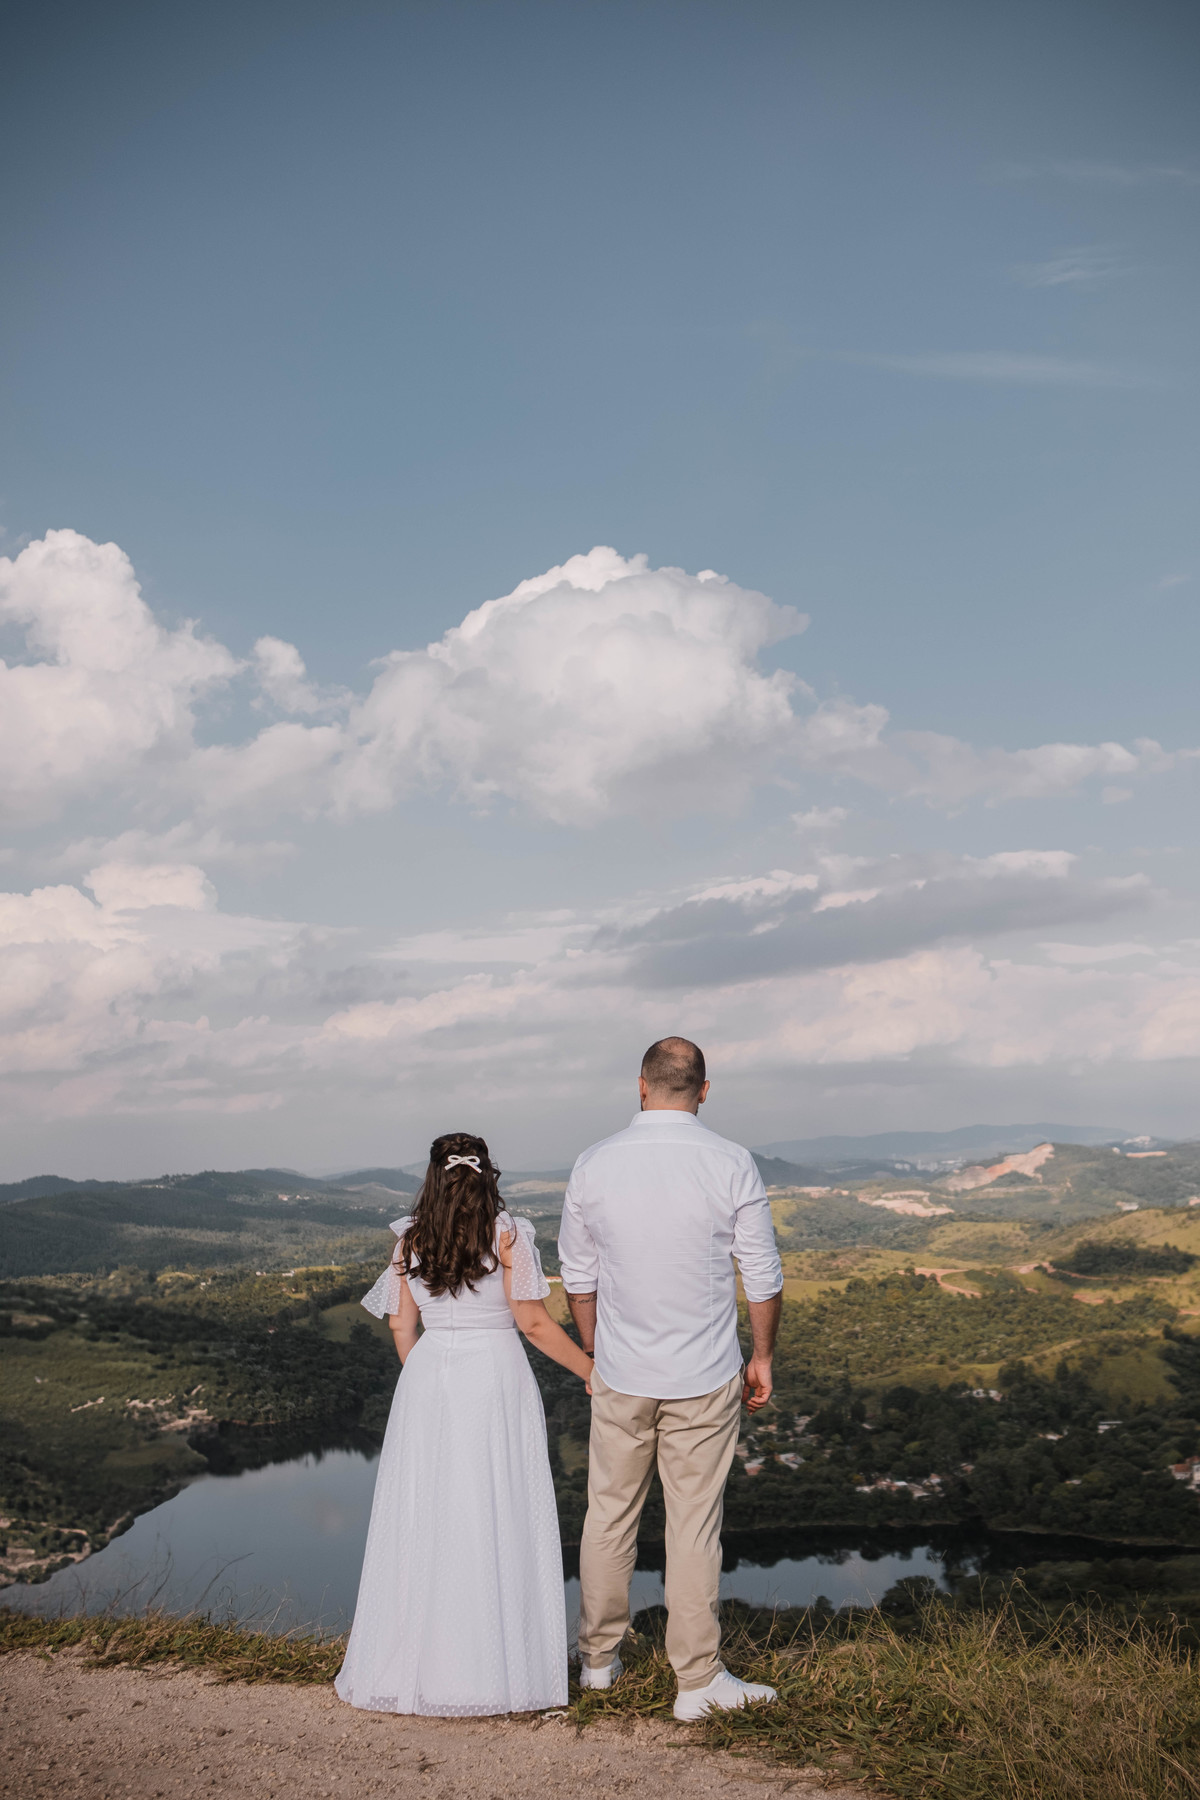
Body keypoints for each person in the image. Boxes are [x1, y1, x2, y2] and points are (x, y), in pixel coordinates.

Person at [558, 1037, 784, 1721]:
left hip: (623, 1375)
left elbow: (579, 1279)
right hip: (704, 1376)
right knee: (693, 1528)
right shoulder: (730, 1162)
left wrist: (596, 1353)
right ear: (704, 1090)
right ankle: (696, 1683)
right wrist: (763, 1356)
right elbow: (763, 1275)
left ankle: (598, 1663)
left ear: (641, 1086)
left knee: (608, 1517)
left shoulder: (593, 1164)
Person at [336, 1131, 594, 1716]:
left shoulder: (410, 1242)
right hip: (494, 1375)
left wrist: (430, 1381)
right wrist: (590, 1370)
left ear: (434, 1178)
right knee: (493, 1507)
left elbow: (403, 1328)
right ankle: (496, 1673)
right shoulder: (508, 1235)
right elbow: (531, 1323)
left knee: (424, 1513)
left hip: (426, 1381)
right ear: (488, 1174)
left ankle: (413, 1668)